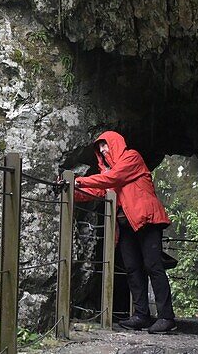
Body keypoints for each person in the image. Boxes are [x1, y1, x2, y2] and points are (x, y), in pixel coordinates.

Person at [73, 130, 177, 334]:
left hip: (146, 220)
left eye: (105, 145)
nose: (103, 150)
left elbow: (113, 178)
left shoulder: (132, 157)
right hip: (126, 225)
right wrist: (72, 190)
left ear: (116, 143)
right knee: (132, 268)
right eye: (100, 148)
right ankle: (141, 315)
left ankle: (167, 317)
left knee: (153, 266)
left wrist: (81, 180)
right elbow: (99, 190)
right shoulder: (109, 172)